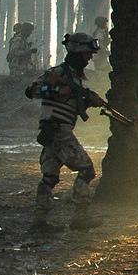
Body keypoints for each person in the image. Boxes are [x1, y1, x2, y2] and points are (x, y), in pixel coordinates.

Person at [24, 32, 105, 232]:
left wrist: (86, 100)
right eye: (87, 54)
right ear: (77, 52)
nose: (89, 58)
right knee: (87, 170)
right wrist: (62, 91)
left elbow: (69, 101)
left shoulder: (74, 77)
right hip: (58, 130)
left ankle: (39, 221)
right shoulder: (58, 73)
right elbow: (31, 90)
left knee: (49, 177)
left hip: (54, 132)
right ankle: (80, 217)